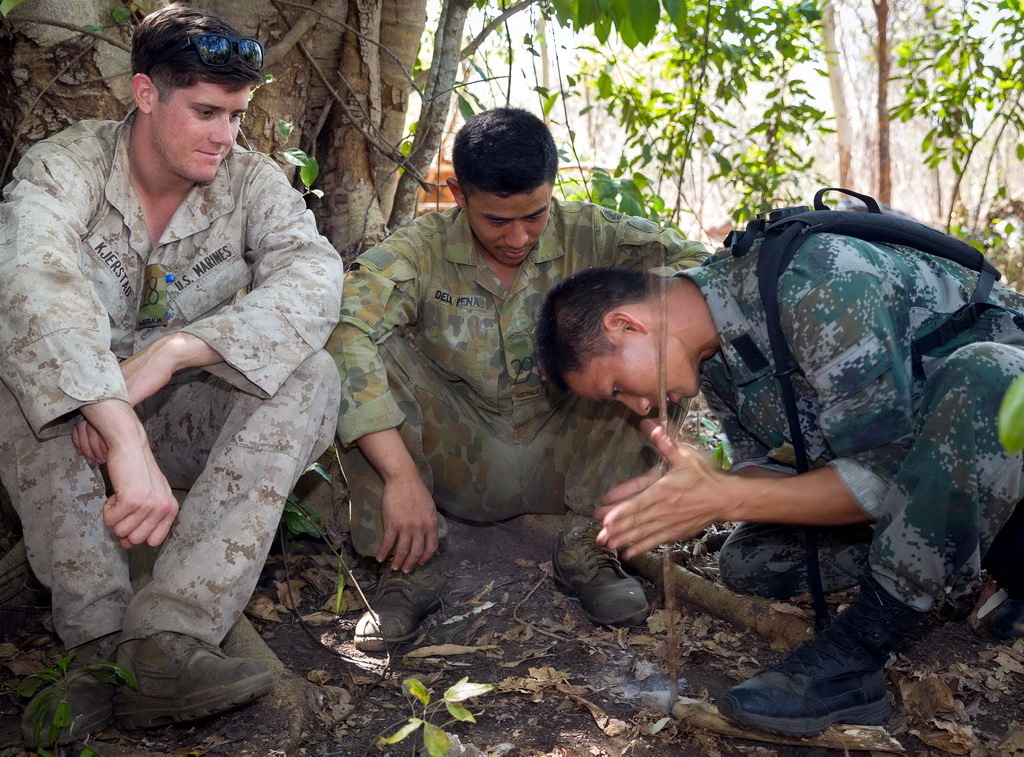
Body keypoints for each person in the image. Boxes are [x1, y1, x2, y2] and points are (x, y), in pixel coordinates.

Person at [0, 5, 343, 749]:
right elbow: (32, 288)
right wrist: (116, 420)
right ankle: (95, 648)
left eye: (238, 115)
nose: (226, 135)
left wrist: (179, 349)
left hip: (184, 413)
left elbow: (315, 278)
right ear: (146, 94)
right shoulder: (65, 167)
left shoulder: (251, 181)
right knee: (17, 369)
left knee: (309, 375)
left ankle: (167, 638)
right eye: (208, 112)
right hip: (76, 428)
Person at [535, 232, 1024, 737]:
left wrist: (732, 496)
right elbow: (778, 467)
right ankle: (973, 562)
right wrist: (707, 491)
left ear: (626, 324)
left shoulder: (818, 281)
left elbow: (890, 469)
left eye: (616, 388)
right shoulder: (717, 356)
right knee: (751, 561)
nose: (636, 407)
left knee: (989, 373)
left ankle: (857, 653)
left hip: (1006, 423)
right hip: (967, 483)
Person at [327, 107, 707, 651]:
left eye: (535, 215)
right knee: (363, 349)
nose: (518, 236)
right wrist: (398, 477)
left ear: (553, 190)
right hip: (460, 456)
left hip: (571, 449)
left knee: (652, 340)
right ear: (459, 196)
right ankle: (410, 567)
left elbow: (703, 272)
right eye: (497, 220)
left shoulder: (593, 233)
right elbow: (346, 328)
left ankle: (587, 549)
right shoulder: (422, 248)